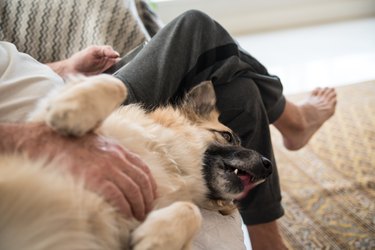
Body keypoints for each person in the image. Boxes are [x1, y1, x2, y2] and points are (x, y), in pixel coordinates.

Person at [0, 10, 336, 249]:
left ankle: (266, 239)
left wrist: (65, 66)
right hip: (64, 104)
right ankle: (293, 121)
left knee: (239, 91)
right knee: (196, 27)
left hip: (75, 78)